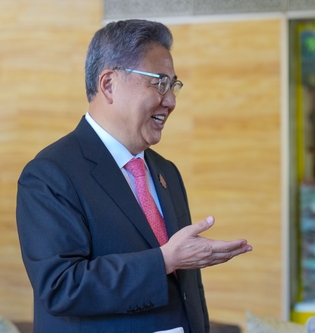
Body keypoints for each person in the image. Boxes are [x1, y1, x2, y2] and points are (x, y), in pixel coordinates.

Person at [16, 19, 252, 333]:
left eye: (173, 85)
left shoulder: (166, 171)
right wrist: (165, 260)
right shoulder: (50, 174)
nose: (170, 101)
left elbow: (187, 292)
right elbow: (61, 286)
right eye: (159, 82)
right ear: (109, 84)